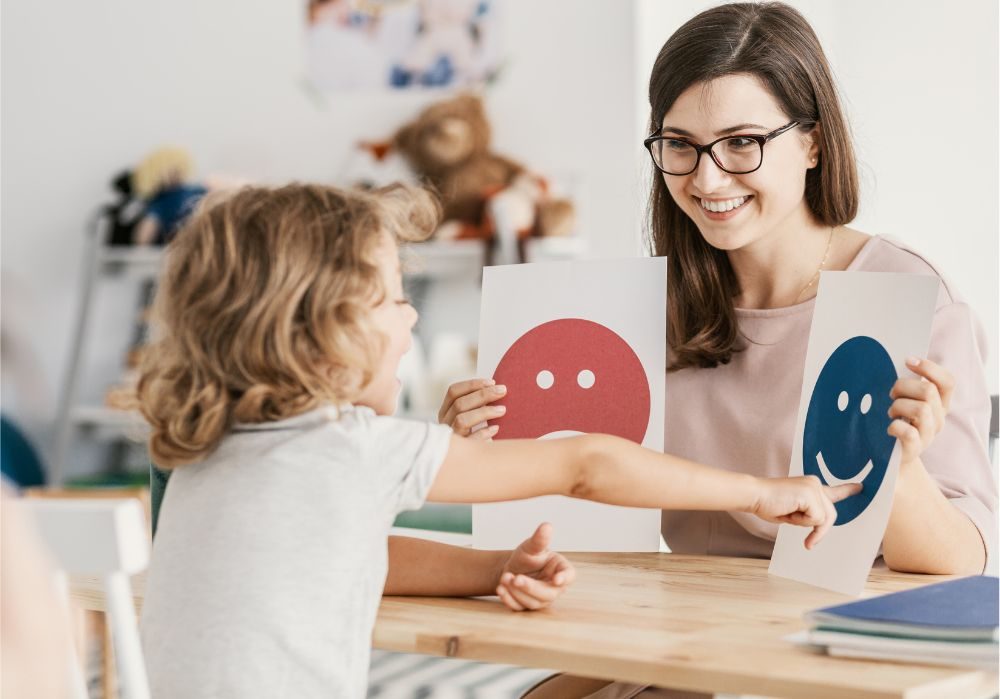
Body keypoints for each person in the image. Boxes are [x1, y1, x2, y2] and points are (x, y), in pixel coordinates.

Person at [440, 3, 997, 697]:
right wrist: (476, 445)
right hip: (685, 638)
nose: (706, 180)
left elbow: (959, 566)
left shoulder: (905, 292)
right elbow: (581, 501)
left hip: (834, 654)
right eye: (680, 144)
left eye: (741, 142)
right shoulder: (646, 309)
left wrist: (902, 468)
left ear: (814, 143)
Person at [135, 181, 854, 699]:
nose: (411, 319)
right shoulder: (350, 446)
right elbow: (586, 462)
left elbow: (352, 554)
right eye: (392, 298)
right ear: (319, 333)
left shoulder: (208, 455)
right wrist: (762, 490)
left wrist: (495, 568)